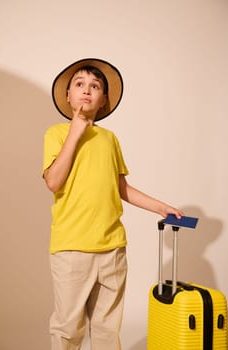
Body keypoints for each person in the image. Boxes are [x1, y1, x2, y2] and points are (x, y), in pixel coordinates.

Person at [43, 58, 183, 350]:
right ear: (68, 96)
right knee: (68, 328)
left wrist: (161, 207)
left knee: (107, 329)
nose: (87, 90)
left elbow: (121, 188)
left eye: (95, 86)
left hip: (112, 247)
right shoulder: (56, 133)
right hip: (72, 248)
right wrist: (76, 132)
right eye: (79, 85)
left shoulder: (109, 139)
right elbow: (54, 182)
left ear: (103, 99)